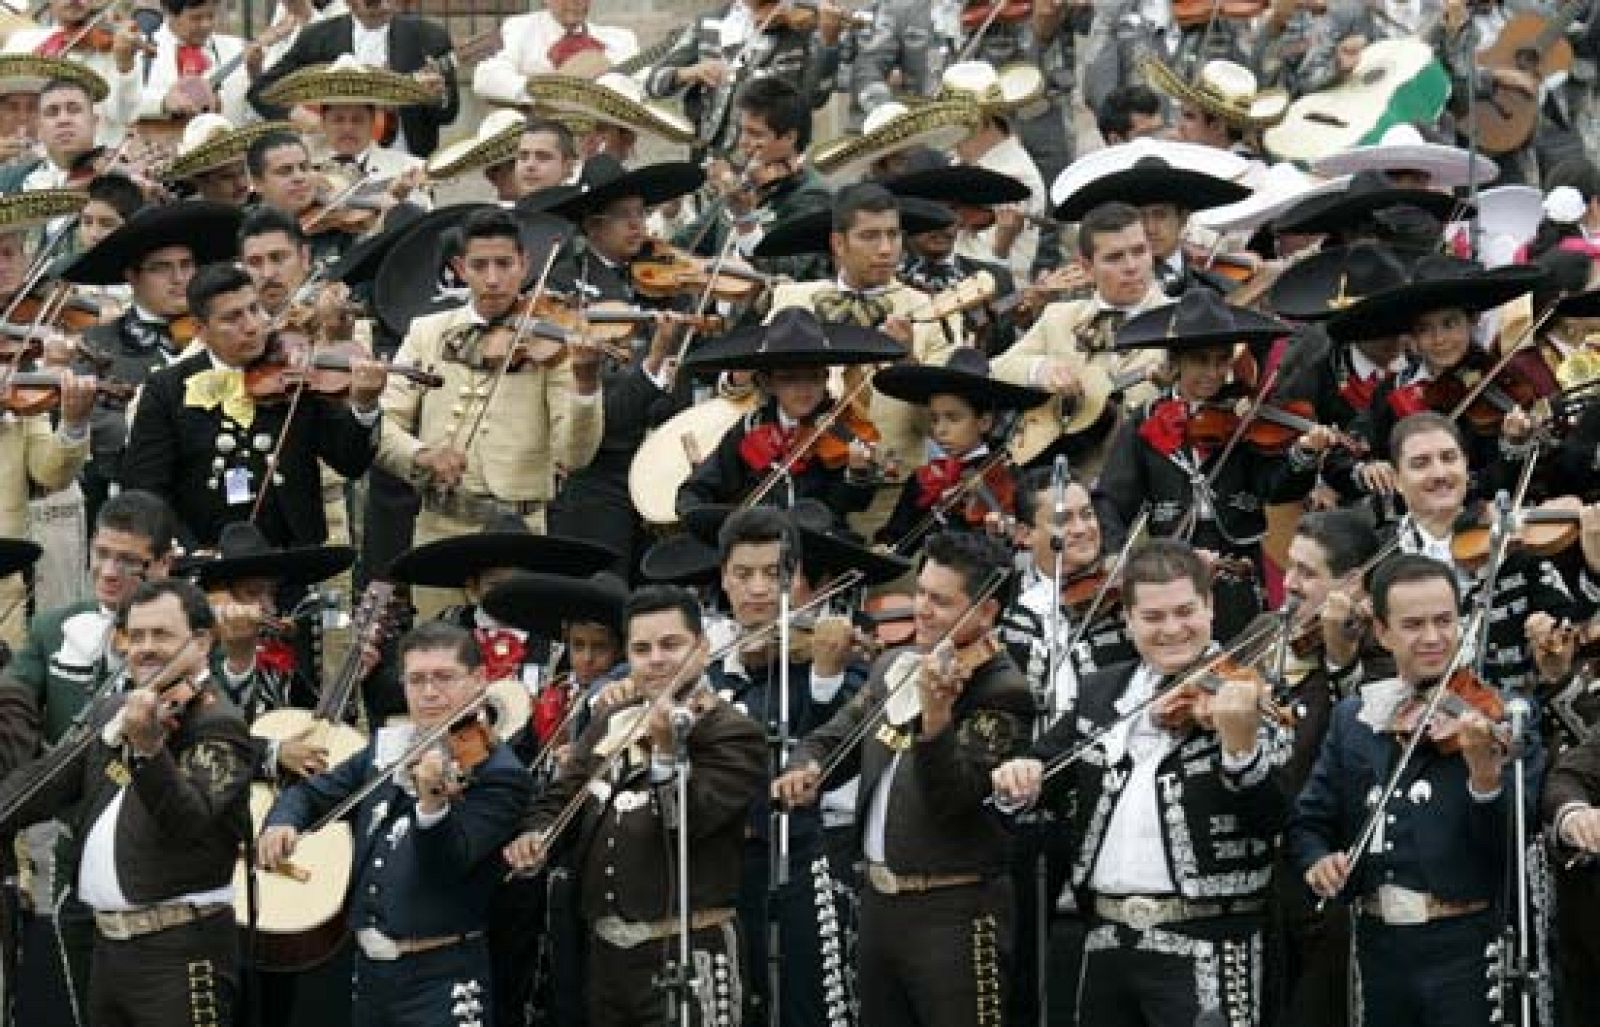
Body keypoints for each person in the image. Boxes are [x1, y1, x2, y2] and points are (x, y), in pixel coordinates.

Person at [991, 539, 1292, 1027]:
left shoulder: (1255, 693)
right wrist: (1018, 775)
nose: (1172, 629)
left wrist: (1240, 750)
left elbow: (1276, 817)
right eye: (1153, 617)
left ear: (1210, 608)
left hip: (1212, 940)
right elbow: (1045, 767)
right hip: (1106, 937)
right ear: (1128, 621)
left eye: (1185, 611)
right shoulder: (1101, 692)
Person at [774, 530, 1032, 1027]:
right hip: (880, 906)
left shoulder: (1003, 690)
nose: (921, 609)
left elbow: (953, 797)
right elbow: (835, 736)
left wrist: (936, 724)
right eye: (921, 593)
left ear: (986, 612)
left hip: (954, 910)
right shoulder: (895, 663)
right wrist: (806, 766)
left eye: (940, 600)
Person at [1289, 553, 1545, 1026]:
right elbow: (1310, 822)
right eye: (1413, 625)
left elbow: (1513, 844)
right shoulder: (1356, 716)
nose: (1432, 638)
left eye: (1444, 621)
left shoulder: (1505, 715)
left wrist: (1484, 777)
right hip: (1377, 945)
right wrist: (1318, 860)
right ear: (1382, 633)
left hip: (1465, 947)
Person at [504, 584, 768, 1027]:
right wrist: (536, 835)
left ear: (701, 649)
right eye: (642, 649)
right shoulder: (611, 719)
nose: (657, 660)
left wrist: (666, 754)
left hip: (687, 949)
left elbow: (688, 820)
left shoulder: (730, 730)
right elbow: (561, 796)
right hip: (606, 959)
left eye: (671, 645)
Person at [0, 577, 254, 1027]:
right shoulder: (112, 710)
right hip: (108, 951)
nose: (145, 648)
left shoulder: (219, 723)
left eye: (161, 635)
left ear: (200, 642)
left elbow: (188, 819)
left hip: (180, 952)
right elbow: (41, 786)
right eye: (136, 636)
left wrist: (150, 752)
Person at [259, 620, 532, 1025]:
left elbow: (448, 863)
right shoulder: (387, 750)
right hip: (371, 978)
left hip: (441, 978)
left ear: (478, 680)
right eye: (416, 680)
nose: (429, 693)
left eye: (444, 677)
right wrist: (282, 822)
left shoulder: (497, 772)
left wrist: (432, 807)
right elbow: (311, 793)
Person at [374, 206, 603, 614]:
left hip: (519, 531)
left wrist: (586, 384)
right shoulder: (427, 333)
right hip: (439, 528)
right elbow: (382, 425)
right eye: (480, 265)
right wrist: (422, 455)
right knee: (435, 647)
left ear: (525, 265)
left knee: (516, 649)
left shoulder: (551, 339)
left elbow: (574, 455)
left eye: (504, 264)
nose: (493, 279)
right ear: (461, 269)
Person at [1093, 290, 1334, 640]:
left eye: (1221, 361)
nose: (1213, 372)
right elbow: (1112, 499)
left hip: (1238, 565)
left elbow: (1275, 487)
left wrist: (1304, 455)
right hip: (1174, 565)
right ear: (1175, 362)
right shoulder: (1144, 421)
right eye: (1200, 361)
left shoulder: (1246, 416)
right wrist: (1115, 553)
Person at [120, 261, 385, 550]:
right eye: (232, 318)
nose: (252, 326)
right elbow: (146, 489)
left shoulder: (297, 371)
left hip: (294, 557)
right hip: (206, 561)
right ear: (200, 329)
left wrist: (365, 405)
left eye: (254, 309)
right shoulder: (166, 389)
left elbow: (351, 461)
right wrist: (187, 552)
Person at [1270, 509, 1384, 1027]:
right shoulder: (1265, 633)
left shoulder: (1381, 653)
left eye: (1307, 573)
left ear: (1353, 585)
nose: (1289, 583)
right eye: (1290, 568)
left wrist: (1342, 663)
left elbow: (1367, 751)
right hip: (1263, 876)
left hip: (1331, 875)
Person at [67, 201, 241, 526]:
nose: (179, 279)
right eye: (161, 268)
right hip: (141, 505)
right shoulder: (97, 343)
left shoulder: (226, 332)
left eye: (187, 265)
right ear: (132, 276)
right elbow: (98, 430)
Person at [991, 201, 1171, 480]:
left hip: (1149, 479)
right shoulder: (1059, 317)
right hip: (1066, 480)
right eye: (1115, 257)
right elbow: (996, 368)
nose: (1132, 266)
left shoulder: (1180, 318)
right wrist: (1043, 370)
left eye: (1139, 251)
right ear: (1087, 268)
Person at [674, 307, 895, 524]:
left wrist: (856, 475)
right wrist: (705, 519)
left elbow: (845, 506)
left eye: (814, 377)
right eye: (790, 378)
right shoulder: (751, 426)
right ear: (767, 383)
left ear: (826, 377)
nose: (804, 388)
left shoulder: (842, 430)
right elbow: (698, 488)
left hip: (817, 543)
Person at [872, 348, 1046, 549]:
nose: (940, 430)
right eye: (935, 419)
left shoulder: (1007, 477)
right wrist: (886, 546)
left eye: (953, 418)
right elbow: (898, 540)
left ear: (984, 422)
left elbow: (1022, 541)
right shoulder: (924, 479)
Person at [246, 0, 459, 159]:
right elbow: (259, 91)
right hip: (330, 164)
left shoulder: (429, 36)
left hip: (406, 162)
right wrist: (299, 115)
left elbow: (448, 114)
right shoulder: (317, 36)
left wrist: (433, 98)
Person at [673, 77, 832, 282]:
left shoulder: (813, 195)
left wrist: (746, 221)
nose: (743, 143)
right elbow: (687, 243)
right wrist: (670, 213)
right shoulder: (743, 183)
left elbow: (789, 271)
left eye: (755, 134)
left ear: (790, 137)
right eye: (742, 131)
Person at [646, 0, 840, 159]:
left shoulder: (802, 29)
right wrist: (689, 72)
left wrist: (828, 43)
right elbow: (653, 84)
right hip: (706, 157)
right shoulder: (708, 23)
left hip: (769, 160)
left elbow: (815, 98)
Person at [2, 0, 142, 145]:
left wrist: (125, 65)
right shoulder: (22, 41)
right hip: (34, 156)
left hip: (94, 156)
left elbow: (124, 115)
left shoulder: (116, 44)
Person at [472, 0, 638, 104]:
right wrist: (549, 92)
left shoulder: (619, 40)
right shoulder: (519, 28)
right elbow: (485, 78)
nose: (576, 2)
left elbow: (640, 84)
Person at [134, 0, 251, 128]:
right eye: (196, 18)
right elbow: (119, 106)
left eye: (211, 16)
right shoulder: (139, 49)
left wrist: (255, 74)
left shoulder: (236, 48)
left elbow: (251, 113)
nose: (206, 24)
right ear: (170, 13)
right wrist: (162, 102)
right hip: (159, 143)